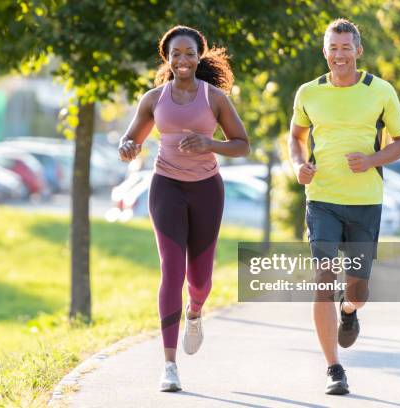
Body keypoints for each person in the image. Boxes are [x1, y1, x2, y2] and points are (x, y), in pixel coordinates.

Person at [118, 25, 249, 392]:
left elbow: (242, 144)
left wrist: (209, 143)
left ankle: (195, 311)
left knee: (201, 280)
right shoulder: (153, 99)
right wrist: (127, 148)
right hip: (166, 188)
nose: (183, 60)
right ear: (167, 58)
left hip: (207, 190)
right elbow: (131, 140)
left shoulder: (215, 98)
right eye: (175, 54)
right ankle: (169, 364)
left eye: (189, 53)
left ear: (199, 55)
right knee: (171, 271)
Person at [288, 18, 400, 395]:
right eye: (333, 48)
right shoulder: (309, 92)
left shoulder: (381, 90)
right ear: (325, 52)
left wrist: (372, 160)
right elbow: (296, 136)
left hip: (365, 202)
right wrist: (298, 166)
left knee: (358, 290)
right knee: (322, 281)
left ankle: (349, 311)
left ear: (358, 51)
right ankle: (333, 368)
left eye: (346, 48)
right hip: (322, 199)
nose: (339, 55)